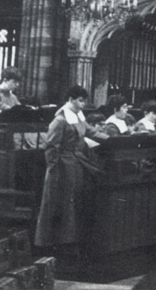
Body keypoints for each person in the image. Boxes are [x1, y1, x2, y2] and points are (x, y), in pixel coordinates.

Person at [34, 84, 104, 256]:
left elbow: (90, 131)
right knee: (62, 202)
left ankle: (70, 239)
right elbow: (51, 147)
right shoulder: (60, 120)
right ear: (71, 100)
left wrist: (113, 138)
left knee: (72, 201)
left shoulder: (78, 117)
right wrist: (53, 170)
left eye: (84, 101)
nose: (83, 104)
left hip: (76, 163)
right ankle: (58, 241)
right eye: (80, 101)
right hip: (62, 166)